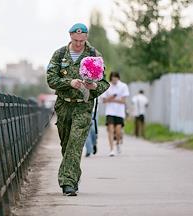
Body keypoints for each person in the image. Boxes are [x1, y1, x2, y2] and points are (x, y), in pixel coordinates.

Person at [47, 23, 110, 196]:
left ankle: (68, 183)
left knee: (75, 143)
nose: (79, 44)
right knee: (66, 144)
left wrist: (94, 85)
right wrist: (69, 82)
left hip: (83, 105)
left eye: (82, 41)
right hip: (64, 105)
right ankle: (73, 174)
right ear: (70, 36)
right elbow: (51, 79)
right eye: (75, 40)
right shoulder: (60, 54)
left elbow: (104, 83)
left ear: (86, 38)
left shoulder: (94, 55)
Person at [102, 71, 129, 156]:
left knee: (118, 131)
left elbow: (124, 101)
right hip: (110, 111)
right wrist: (112, 98)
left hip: (119, 112)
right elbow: (104, 100)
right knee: (110, 130)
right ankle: (111, 149)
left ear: (118, 78)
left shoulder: (123, 86)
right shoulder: (108, 86)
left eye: (116, 78)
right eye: (113, 78)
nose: (114, 80)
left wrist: (111, 100)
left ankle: (117, 143)